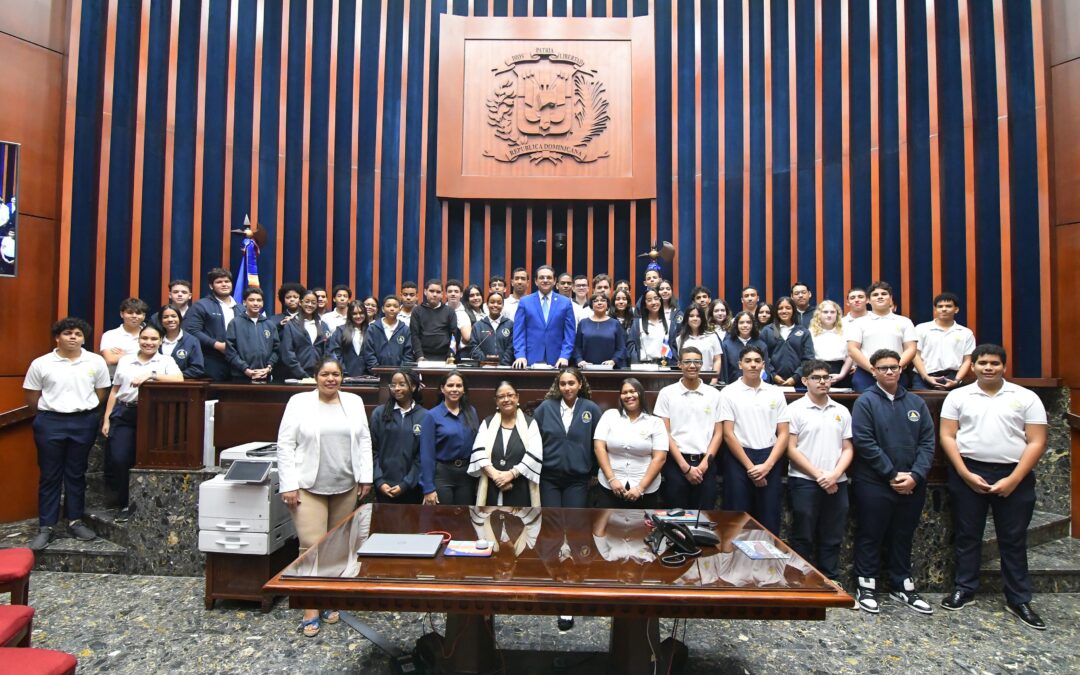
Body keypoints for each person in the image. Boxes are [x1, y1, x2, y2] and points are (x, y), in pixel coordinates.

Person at [939, 344, 1048, 630]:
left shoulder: (1026, 397)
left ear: (1004, 366)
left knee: (1012, 539)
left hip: (1015, 474)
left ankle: (1018, 598)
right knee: (967, 535)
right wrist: (963, 473)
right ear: (973, 366)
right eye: (983, 363)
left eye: (994, 363)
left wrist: (1013, 480)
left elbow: (1036, 441)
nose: (989, 368)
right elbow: (948, 436)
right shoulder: (958, 396)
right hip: (969, 471)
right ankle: (965, 588)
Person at [276, 356, 373, 636]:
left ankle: (329, 598)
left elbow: (364, 439)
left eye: (336, 375)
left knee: (336, 546)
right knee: (310, 545)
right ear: (315, 376)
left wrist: (365, 476)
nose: (331, 379)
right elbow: (285, 445)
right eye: (325, 375)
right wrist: (289, 484)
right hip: (307, 485)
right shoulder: (299, 403)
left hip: (345, 484)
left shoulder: (353, 402)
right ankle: (310, 605)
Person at [850, 348, 935, 615]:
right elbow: (864, 442)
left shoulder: (916, 403)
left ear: (901, 370)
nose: (889, 371)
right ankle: (866, 585)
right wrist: (891, 473)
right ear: (873, 371)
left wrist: (916, 475)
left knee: (903, 535)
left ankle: (902, 584)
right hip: (874, 483)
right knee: (870, 534)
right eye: (883, 368)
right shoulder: (866, 402)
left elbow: (928, 442)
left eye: (894, 367)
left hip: (912, 483)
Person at [23, 318, 111, 550]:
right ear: (57, 337)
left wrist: (83, 411)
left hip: (83, 421)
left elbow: (101, 392)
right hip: (50, 422)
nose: (73, 337)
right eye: (68, 333)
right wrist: (48, 414)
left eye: (78, 334)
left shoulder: (95, 361)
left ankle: (75, 521)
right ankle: (46, 527)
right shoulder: (41, 363)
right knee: (50, 475)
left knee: (76, 473)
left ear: (84, 338)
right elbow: (32, 397)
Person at [102, 324, 182, 520]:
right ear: (139, 339)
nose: (149, 342)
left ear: (161, 341)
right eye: (145, 338)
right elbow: (115, 389)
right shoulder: (126, 360)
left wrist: (152, 375)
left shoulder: (166, 360)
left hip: (154, 415)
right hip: (124, 412)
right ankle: (124, 503)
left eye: (154, 339)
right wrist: (106, 418)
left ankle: (152, 504)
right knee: (120, 459)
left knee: (150, 459)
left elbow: (179, 379)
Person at [786, 360, 854, 584]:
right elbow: (790, 448)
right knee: (803, 534)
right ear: (805, 381)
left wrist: (834, 475)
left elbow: (847, 448)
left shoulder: (841, 410)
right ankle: (800, 581)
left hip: (837, 480)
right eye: (817, 377)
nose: (823, 381)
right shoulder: (795, 409)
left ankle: (830, 579)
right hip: (805, 480)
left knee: (832, 535)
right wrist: (819, 475)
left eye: (826, 377)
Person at [718, 345, 790, 533]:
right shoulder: (728, 393)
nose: (753, 365)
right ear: (740, 364)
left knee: (769, 518)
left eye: (757, 361)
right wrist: (750, 467)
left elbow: (783, 433)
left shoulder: (775, 392)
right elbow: (728, 433)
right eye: (748, 361)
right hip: (739, 458)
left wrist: (767, 466)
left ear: (763, 365)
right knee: (736, 519)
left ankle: (767, 562)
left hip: (769, 458)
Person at [655, 346, 724, 510]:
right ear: (679, 364)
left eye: (697, 362)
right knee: (676, 519)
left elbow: (718, 433)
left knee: (703, 517)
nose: (692, 365)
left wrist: (704, 465)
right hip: (676, 463)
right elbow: (665, 433)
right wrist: (685, 468)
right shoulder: (667, 393)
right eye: (687, 362)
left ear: (702, 364)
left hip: (705, 463)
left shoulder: (714, 394)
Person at [593, 378, 668, 508]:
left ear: (641, 394)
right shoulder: (609, 416)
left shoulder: (655, 422)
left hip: (646, 488)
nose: (629, 396)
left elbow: (660, 458)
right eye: (624, 392)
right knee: (609, 526)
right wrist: (612, 479)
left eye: (633, 391)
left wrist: (640, 488)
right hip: (610, 485)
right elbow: (599, 448)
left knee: (644, 527)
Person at [532, 368, 602, 508]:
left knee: (573, 522)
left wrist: (595, 471)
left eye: (571, 383)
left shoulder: (591, 409)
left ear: (580, 384)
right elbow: (533, 439)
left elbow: (598, 444)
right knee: (552, 521)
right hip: (548, 478)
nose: (567, 388)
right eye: (563, 384)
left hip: (578, 479)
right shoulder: (546, 408)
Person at [469, 382, 543, 507]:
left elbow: (535, 453)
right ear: (496, 401)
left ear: (517, 397)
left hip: (519, 486)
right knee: (490, 524)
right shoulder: (487, 423)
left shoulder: (530, 424)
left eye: (510, 395)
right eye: (501, 396)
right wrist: (497, 477)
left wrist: (511, 474)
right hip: (491, 485)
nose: (506, 399)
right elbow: (478, 451)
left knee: (518, 525)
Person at [419, 371, 480, 505]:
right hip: (442, 475)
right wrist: (428, 488)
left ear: (464, 390)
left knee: (463, 519)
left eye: (459, 386)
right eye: (450, 385)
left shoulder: (471, 412)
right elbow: (426, 454)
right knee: (443, 519)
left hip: (467, 475)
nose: (454, 389)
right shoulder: (432, 415)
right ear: (442, 389)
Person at [845, 281, 917, 392]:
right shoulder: (858, 323)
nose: (880, 297)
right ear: (868, 300)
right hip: (866, 373)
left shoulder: (905, 321)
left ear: (891, 298)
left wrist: (895, 368)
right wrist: (873, 369)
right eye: (875, 295)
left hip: (896, 374)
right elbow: (852, 349)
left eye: (884, 294)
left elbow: (911, 348)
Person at [370, 368, 426, 504]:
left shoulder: (424, 416)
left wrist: (406, 484)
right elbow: (371, 450)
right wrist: (379, 481)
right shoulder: (379, 413)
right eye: (393, 385)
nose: (396, 388)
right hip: (383, 487)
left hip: (412, 488)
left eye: (402, 384)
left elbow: (422, 456)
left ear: (413, 387)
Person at [512, 265, 577, 368]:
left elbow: (570, 334)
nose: (545, 280)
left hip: (558, 360)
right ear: (536, 281)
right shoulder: (525, 302)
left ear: (555, 281)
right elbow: (519, 332)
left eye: (549, 277)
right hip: (529, 358)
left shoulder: (565, 302)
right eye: (542, 277)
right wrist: (520, 355)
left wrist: (564, 356)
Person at [912, 292, 975, 390]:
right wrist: (926, 377)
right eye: (940, 306)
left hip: (952, 377)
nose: (944, 309)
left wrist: (956, 381)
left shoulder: (966, 333)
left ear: (956, 309)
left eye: (948, 306)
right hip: (923, 378)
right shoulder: (921, 329)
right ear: (935, 309)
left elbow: (967, 360)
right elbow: (916, 355)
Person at [185, 268, 239, 381]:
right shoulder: (200, 305)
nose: (224, 284)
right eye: (219, 282)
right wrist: (218, 345)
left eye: (227, 281)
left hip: (238, 362)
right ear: (211, 286)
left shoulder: (241, 308)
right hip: (211, 360)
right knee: (213, 397)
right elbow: (192, 331)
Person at [225, 287, 279, 382]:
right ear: (244, 302)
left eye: (259, 300)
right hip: (240, 376)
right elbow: (230, 351)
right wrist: (245, 369)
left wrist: (269, 367)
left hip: (264, 375)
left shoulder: (269, 324)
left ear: (262, 303)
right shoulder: (235, 323)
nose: (255, 303)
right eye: (251, 300)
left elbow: (277, 349)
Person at [760, 296, 815, 387]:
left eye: (788, 308)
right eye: (780, 308)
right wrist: (773, 375)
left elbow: (808, 359)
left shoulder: (804, 332)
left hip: (799, 383)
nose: (784, 311)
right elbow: (762, 357)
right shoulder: (767, 331)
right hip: (771, 382)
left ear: (793, 310)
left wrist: (796, 377)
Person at [279, 289, 332, 380]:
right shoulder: (291, 324)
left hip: (319, 377)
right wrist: (303, 375)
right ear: (300, 303)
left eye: (313, 302)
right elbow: (288, 353)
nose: (310, 305)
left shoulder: (323, 325)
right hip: (296, 376)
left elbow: (327, 351)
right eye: (307, 302)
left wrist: (322, 373)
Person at [410, 279, 460, 361]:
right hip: (422, 356)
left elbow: (454, 336)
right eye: (431, 291)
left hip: (445, 357)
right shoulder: (417, 311)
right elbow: (414, 336)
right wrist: (419, 356)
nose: (434, 294)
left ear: (442, 294)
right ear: (425, 292)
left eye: (438, 292)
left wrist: (450, 355)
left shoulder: (449, 311)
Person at [574, 293, 627, 368]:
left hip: (610, 369)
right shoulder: (583, 323)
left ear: (607, 304)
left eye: (603, 300)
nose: (599, 303)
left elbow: (621, 348)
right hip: (586, 368)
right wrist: (579, 360)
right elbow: (577, 347)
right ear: (591, 305)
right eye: (596, 301)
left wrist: (613, 361)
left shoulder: (615, 323)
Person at [99, 297, 149, 378]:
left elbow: (152, 359)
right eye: (130, 313)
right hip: (114, 381)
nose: (134, 316)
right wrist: (141, 356)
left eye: (138, 313)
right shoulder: (110, 335)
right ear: (122, 314)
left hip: (143, 381)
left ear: (143, 316)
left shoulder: (150, 335)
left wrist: (124, 356)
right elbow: (110, 360)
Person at [362, 295, 414, 369]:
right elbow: (368, 352)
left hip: (399, 376)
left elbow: (408, 354)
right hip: (376, 374)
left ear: (399, 310)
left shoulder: (405, 330)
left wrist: (401, 372)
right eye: (388, 306)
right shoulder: (373, 328)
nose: (392, 309)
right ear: (383, 309)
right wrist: (376, 370)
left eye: (395, 306)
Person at [721, 311, 771, 385]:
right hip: (734, 388)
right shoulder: (727, 345)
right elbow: (724, 372)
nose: (745, 325)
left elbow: (765, 371)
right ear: (736, 325)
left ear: (753, 325)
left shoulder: (761, 345)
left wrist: (763, 383)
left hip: (757, 388)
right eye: (741, 323)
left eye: (748, 322)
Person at [808, 300, 851, 386]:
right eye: (825, 312)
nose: (829, 315)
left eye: (832, 312)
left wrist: (842, 375)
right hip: (817, 371)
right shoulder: (810, 332)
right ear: (819, 314)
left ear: (837, 314)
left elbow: (850, 355)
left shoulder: (846, 331)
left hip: (841, 371)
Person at [675, 305, 723, 380]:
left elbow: (717, 359)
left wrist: (714, 379)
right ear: (686, 319)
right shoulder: (680, 339)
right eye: (691, 316)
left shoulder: (712, 336)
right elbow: (681, 362)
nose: (695, 319)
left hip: (708, 378)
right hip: (688, 380)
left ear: (702, 318)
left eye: (698, 316)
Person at [157, 304, 205, 379]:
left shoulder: (192, 341)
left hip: (182, 385)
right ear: (161, 321)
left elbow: (197, 369)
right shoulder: (155, 339)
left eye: (173, 316)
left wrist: (174, 377)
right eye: (165, 317)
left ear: (180, 319)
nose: (170, 320)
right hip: (155, 385)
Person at [469, 291, 514, 365]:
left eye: (499, 303)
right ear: (487, 305)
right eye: (492, 302)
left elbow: (511, 347)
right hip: (483, 369)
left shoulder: (510, 325)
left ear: (503, 305)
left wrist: (503, 364)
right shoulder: (478, 326)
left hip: (505, 368)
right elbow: (473, 347)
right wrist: (486, 362)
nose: (495, 305)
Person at [328, 301, 370, 377]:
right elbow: (335, 354)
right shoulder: (340, 330)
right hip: (345, 376)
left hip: (368, 377)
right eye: (354, 314)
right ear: (350, 315)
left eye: (361, 313)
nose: (358, 316)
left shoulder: (371, 330)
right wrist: (343, 371)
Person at [627, 288, 669, 364]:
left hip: (664, 367)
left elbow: (672, 350)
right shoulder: (637, 324)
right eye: (649, 300)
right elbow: (631, 347)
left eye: (656, 299)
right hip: (642, 367)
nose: (653, 302)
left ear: (660, 301)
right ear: (645, 305)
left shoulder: (669, 324)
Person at [444, 279, 474, 343]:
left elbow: (468, 338)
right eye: (450, 291)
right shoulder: (439, 311)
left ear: (461, 294)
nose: (453, 294)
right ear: (445, 294)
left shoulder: (466, 313)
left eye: (456, 291)